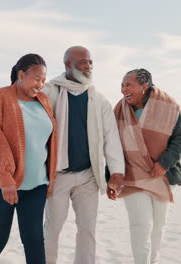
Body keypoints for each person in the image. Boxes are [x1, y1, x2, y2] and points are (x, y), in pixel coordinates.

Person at [42, 46, 125, 264]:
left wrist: (116, 171)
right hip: (57, 175)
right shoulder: (50, 92)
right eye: (82, 62)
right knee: (52, 228)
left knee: (88, 229)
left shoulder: (98, 99)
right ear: (67, 65)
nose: (88, 66)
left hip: (88, 175)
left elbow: (111, 137)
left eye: (90, 62)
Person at [0, 53, 58, 264]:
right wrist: (5, 178)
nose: (40, 84)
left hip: (36, 187)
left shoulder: (43, 100)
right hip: (0, 186)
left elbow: (47, 142)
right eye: (36, 78)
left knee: (34, 240)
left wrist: (49, 178)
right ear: (21, 74)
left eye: (43, 80)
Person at [111, 68, 181, 264]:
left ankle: (154, 260)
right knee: (140, 225)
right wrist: (112, 176)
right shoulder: (119, 111)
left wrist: (164, 164)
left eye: (128, 85)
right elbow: (110, 145)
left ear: (144, 86)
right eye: (122, 85)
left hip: (161, 176)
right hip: (132, 177)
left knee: (158, 225)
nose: (123, 90)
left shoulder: (168, 106)